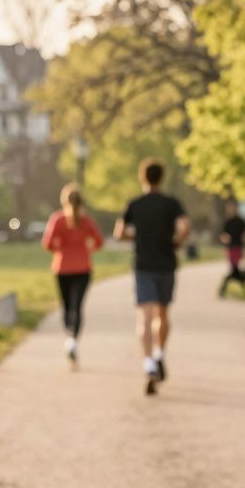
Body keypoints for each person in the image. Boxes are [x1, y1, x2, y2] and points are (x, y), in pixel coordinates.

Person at [115, 159, 190, 395]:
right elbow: (185, 226)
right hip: (166, 264)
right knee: (163, 314)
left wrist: (135, 238)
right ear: (161, 177)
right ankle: (159, 355)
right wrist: (177, 241)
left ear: (142, 178)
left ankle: (148, 364)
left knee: (144, 317)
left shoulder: (135, 204)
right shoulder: (172, 204)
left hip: (143, 265)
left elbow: (119, 233)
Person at [42, 184, 104, 367]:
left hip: (62, 268)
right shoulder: (86, 221)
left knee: (67, 306)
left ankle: (69, 337)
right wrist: (87, 250)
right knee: (77, 306)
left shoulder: (57, 219)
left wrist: (60, 249)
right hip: (83, 268)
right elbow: (99, 242)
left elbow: (47, 244)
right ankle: (73, 341)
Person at [218, 200, 245, 298]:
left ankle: (224, 290)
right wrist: (225, 238)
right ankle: (242, 282)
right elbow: (222, 235)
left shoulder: (241, 221)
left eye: (233, 208)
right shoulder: (227, 222)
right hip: (231, 248)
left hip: (239, 247)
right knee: (234, 269)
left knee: (234, 270)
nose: (231, 210)